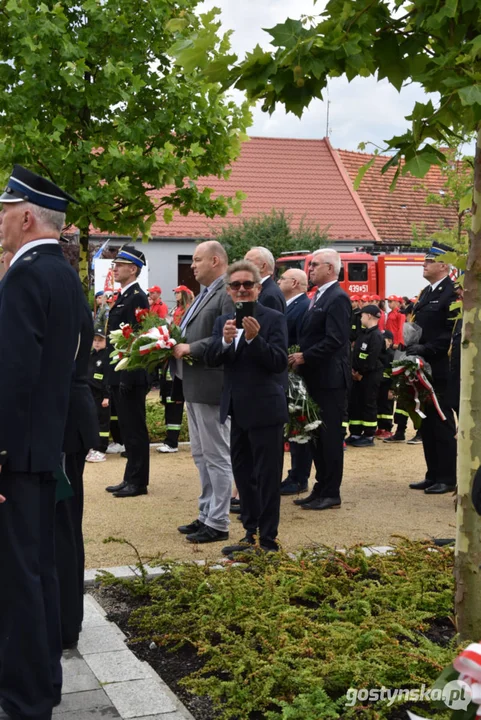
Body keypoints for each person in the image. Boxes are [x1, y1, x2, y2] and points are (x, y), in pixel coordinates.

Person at [0, 164, 84, 720]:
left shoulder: (28, 275)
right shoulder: (62, 273)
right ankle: (42, 683)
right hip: (41, 447)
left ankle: (26, 698)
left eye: (5, 211)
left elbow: (13, 375)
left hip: (18, 453)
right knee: (40, 570)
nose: (1, 221)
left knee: (20, 580)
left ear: (27, 215)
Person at [205, 260, 288, 555]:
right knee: (243, 476)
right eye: (236, 285)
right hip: (236, 410)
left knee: (266, 477)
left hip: (265, 410)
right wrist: (226, 342)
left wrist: (254, 340)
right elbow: (215, 358)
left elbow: (279, 361)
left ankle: (268, 541)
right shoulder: (224, 321)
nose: (242, 290)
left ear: (258, 288)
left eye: (247, 285)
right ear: (229, 291)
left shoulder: (275, 318)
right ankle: (249, 534)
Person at [173, 241, 235, 543]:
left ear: (215, 260)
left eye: (197, 260)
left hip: (211, 385)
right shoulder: (203, 294)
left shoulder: (226, 293)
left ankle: (219, 520)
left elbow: (225, 338)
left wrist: (190, 348)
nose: (192, 266)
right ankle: (206, 513)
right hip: (194, 384)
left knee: (217, 455)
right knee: (200, 454)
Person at [289, 248, 351, 510]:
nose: (309, 269)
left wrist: (306, 356)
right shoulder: (318, 296)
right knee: (315, 435)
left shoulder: (337, 297)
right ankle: (320, 487)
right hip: (315, 376)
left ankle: (331, 492)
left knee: (329, 437)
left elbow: (336, 339)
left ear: (330, 268)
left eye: (314, 265)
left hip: (330, 379)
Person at [56, 299, 98, 650]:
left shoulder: (60, 298)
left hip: (65, 426)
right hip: (67, 421)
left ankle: (67, 619)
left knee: (65, 525)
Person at [407, 242, 458, 494]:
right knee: (426, 421)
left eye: (429, 261)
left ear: (443, 265)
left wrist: (426, 349)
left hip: (439, 366)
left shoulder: (452, 293)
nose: (424, 264)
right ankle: (433, 473)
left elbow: (449, 333)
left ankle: (448, 476)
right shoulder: (426, 293)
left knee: (441, 420)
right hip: (422, 366)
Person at [104, 246, 150, 498]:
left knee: (135, 430)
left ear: (133, 269)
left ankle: (138, 481)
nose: (115, 267)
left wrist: (127, 375)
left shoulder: (136, 297)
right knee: (127, 429)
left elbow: (138, 341)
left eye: (120, 264)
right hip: (120, 372)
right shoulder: (124, 296)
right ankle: (130, 476)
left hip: (130, 374)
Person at [277, 268, 312, 495]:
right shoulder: (290, 305)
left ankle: (299, 477)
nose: (278, 281)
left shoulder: (303, 306)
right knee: (293, 427)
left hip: (296, 373)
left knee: (299, 425)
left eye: (281, 278)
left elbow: (301, 338)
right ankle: (295, 474)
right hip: (287, 372)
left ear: (294, 282)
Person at [156, 286, 194, 454]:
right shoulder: (174, 310)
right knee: (171, 401)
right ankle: (171, 440)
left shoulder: (188, 309)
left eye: (178, 292)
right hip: (171, 359)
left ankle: (173, 441)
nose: (176, 295)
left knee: (179, 402)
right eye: (175, 292)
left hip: (182, 360)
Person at [346, 304, 384, 447]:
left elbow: (372, 358)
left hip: (369, 376)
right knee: (356, 403)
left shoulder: (376, 335)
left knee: (369, 404)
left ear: (369, 315)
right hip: (358, 375)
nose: (360, 318)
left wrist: (361, 374)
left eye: (362, 315)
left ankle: (368, 435)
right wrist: (354, 371)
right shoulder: (363, 333)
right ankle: (355, 432)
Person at [86, 329, 111, 463]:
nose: (96, 343)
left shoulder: (106, 356)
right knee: (94, 421)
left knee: (102, 423)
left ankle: (101, 449)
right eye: (95, 340)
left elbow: (107, 378)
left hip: (101, 395)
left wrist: (107, 396)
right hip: (91, 394)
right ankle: (94, 446)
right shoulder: (91, 356)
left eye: (100, 340)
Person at [244, 246, 286, 313]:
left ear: (263, 267)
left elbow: (270, 322)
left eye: (248, 262)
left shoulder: (270, 295)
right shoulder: (265, 290)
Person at [375, 329, 395, 439]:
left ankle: (388, 429)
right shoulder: (378, 354)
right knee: (379, 406)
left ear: (390, 341)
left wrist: (392, 389)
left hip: (388, 385)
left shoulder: (392, 355)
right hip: (379, 384)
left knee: (387, 407)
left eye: (385, 340)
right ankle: (380, 428)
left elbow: (394, 373)